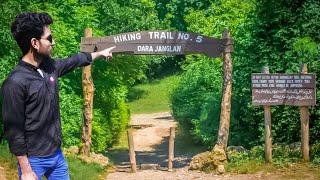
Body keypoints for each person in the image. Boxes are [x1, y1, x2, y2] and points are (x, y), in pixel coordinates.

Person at [1, 12, 115, 180]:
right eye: (49, 38)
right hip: (33, 161)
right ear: (34, 43)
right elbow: (13, 130)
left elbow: (72, 61)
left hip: (56, 156)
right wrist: (26, 170)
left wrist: (99, 54)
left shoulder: (49, 67)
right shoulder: (15, 83)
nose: (54, 42)